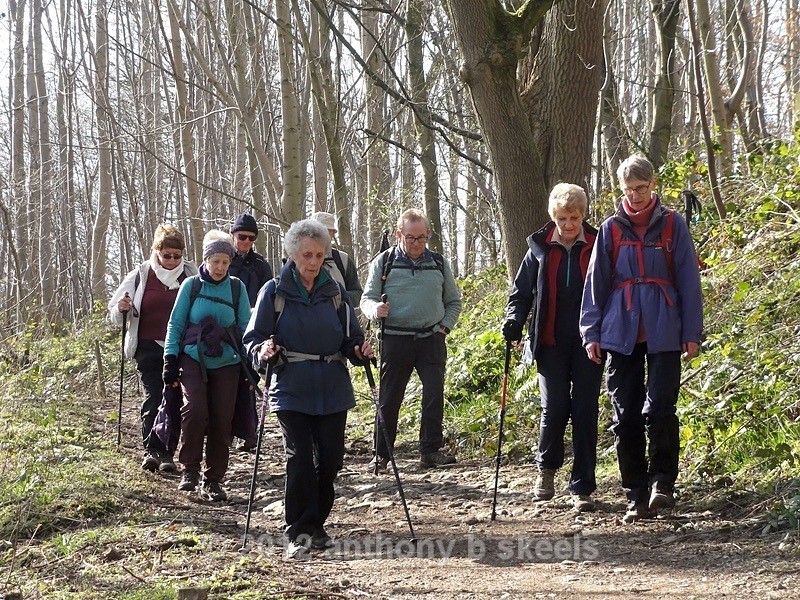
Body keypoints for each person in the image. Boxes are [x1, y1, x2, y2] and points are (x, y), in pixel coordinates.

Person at [581, 154, 703, 523]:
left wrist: (692, 332)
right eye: (629, 189)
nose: (635, 195)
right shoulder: (610, 229)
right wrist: (591, 332)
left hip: (665, 329)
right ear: (621, 189)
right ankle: (635, 493)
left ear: (653, 186)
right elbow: (596, 283)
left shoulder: (672, 225)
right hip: (620, 331)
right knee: (626, 414)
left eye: (641, 188)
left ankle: (662, 485)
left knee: (661, 409)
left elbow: (688, 281)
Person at [243, 219, 373, 559]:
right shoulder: (273, 292)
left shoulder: (336, 293)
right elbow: (253, 339)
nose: (313, 262)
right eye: (306, 255)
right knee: (299, 457)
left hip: (332, 385)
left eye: (319, 255)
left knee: (330, 460)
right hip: (291, 386)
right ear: (292, 255)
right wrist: (263, 351)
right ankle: (299, 530)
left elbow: (351, 340)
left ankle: (317, 524)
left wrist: (359, 351)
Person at [503, 184, 603, 512]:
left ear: (583, 215)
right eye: (562, 218)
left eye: (574, 217)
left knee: (586, 410)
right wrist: (514, 320)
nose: (568, 224)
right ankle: (546, 471)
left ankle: (582, 486)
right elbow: (521, 293)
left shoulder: (599, 244)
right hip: (550, 341)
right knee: (555, 406)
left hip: (590, 342)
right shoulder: (540, 249)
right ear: (553, 217)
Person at [360, 209, 462, 470]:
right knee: (390, 398)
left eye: (421, 237)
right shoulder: (384, 262)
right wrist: (375, 311)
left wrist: (444, 328)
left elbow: (452, 301)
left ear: (427, 235)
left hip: (431, 338)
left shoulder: (438, 262)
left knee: (433, 394)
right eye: (410, 238)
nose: (416, 243)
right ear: (399, 235)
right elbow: (366, 299)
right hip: (395, 339)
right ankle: (381, 455)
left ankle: (430, 451)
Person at [163, 230, 251, 501]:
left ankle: (213, 480)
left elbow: (247, 326)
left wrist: (252, 361)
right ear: (206, 260)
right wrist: (170, 358)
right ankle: (190, 469)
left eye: (225, 262)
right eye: (216, 262)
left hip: (227, 361)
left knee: (222, 419)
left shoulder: (237, 288)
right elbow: (176, 323)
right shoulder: (191, 285)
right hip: (193, 356)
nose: (220, 268)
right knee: (194, 409)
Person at [108, 224, 198, 473]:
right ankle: (152, 450)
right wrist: (121, 309)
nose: (172, 260)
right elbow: (114, 313)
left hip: (181, 348)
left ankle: (168, 453)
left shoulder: (191, 274)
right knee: (154, 397)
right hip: (147, 346)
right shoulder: (141, 275)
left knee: (177, 399)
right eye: (167, 255)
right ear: (156, 252)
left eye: (177, 255)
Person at [228, 213, 273, 451]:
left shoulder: (260, 265)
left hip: (253, 330)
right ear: (232, 235)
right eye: (242, 236)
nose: (246, 242)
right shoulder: (222, 259)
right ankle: (225, 432)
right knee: (226, 382)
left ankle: (249, 433)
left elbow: (269, 296)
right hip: (225, 331)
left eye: (251, 238)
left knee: (250, 381)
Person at [310, 211, 363, 308]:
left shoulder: (343, 260)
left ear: (333, 233)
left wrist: (338, 295)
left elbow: (358, 295)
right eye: (318, 231)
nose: (322, 235)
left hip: (338, 320)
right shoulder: (298, 259)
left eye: (326, 231)